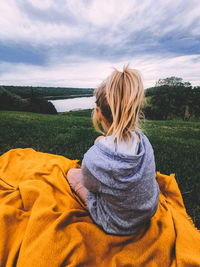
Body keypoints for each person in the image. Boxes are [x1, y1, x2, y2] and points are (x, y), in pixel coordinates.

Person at [67, 66, 160, 235]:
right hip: (147, 214)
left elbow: (90, 186)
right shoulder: (145, 143)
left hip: (117, 224)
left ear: (98, 113)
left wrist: (98, 147)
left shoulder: (93, 158)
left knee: (73, 175)